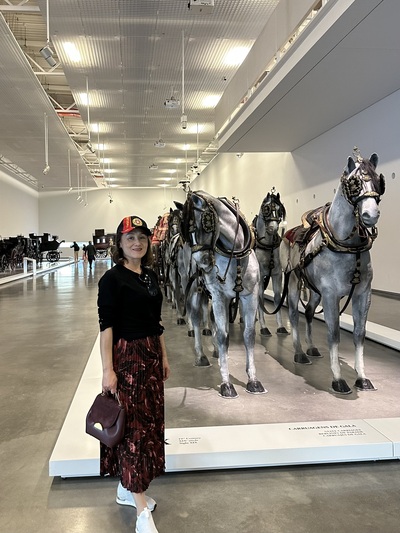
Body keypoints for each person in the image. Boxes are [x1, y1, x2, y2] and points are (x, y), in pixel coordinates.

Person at [97, 215, 170, 533]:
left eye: (141, 237)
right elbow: (106, 327)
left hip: (151, 356)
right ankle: (141, 510)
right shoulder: (112, 280)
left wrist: (164, 356)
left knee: (150, 426)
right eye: (130, 238)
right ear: (120, 244)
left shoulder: (151, 277)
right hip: (127, 359)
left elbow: (157, 321)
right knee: (133, 432)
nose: (137, 242)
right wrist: (107, 370)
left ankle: (126, 490)